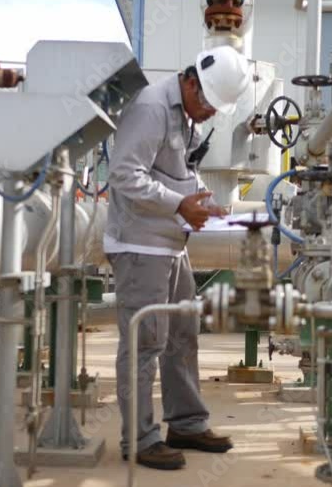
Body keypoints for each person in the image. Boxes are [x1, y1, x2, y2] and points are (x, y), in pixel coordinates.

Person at [104, 46, 251, 470]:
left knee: (183, 335)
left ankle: (186, 424)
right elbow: (124, 174)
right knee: (145, 342)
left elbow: (177, 171)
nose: (210, 113)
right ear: (190, 83)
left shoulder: (183, 116)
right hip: (141, 247)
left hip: (170, 244)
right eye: (209, 104)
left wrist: (202, 200)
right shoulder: (151, 108)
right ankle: (140, 439)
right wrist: (179, 205)